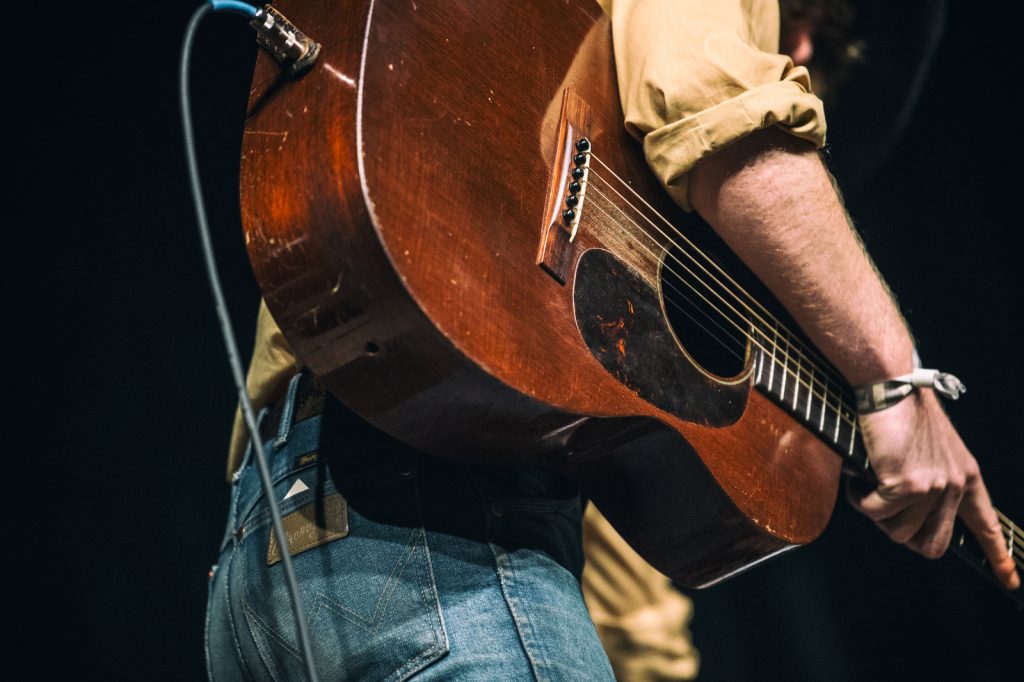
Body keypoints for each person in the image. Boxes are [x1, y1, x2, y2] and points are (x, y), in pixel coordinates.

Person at [205, 1, 1019, 680]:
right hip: (440, 525)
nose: (799, 53)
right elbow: (717, 108)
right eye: (818, 23)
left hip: (263, 562)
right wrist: (897, 386)